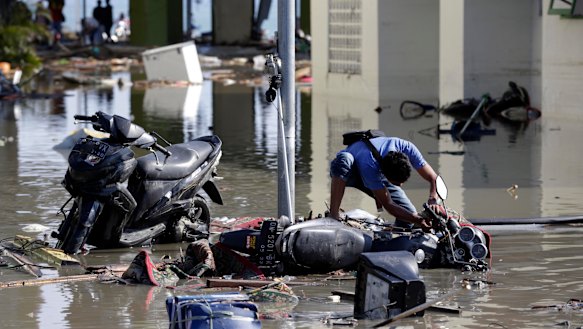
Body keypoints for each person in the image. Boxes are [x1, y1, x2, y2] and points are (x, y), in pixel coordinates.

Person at [329, 134, 439, 229]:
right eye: (397, 183)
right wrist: (419, 220)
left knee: (408, 215)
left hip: (376, 171)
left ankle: (389, 235)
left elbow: (434, 178)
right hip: (351, 172)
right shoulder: (369, 165)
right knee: (345, 159)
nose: (400, 185)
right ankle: (333, 215)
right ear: (384, 174)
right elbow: (389, 205)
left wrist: (433, 199)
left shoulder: (406, 147)